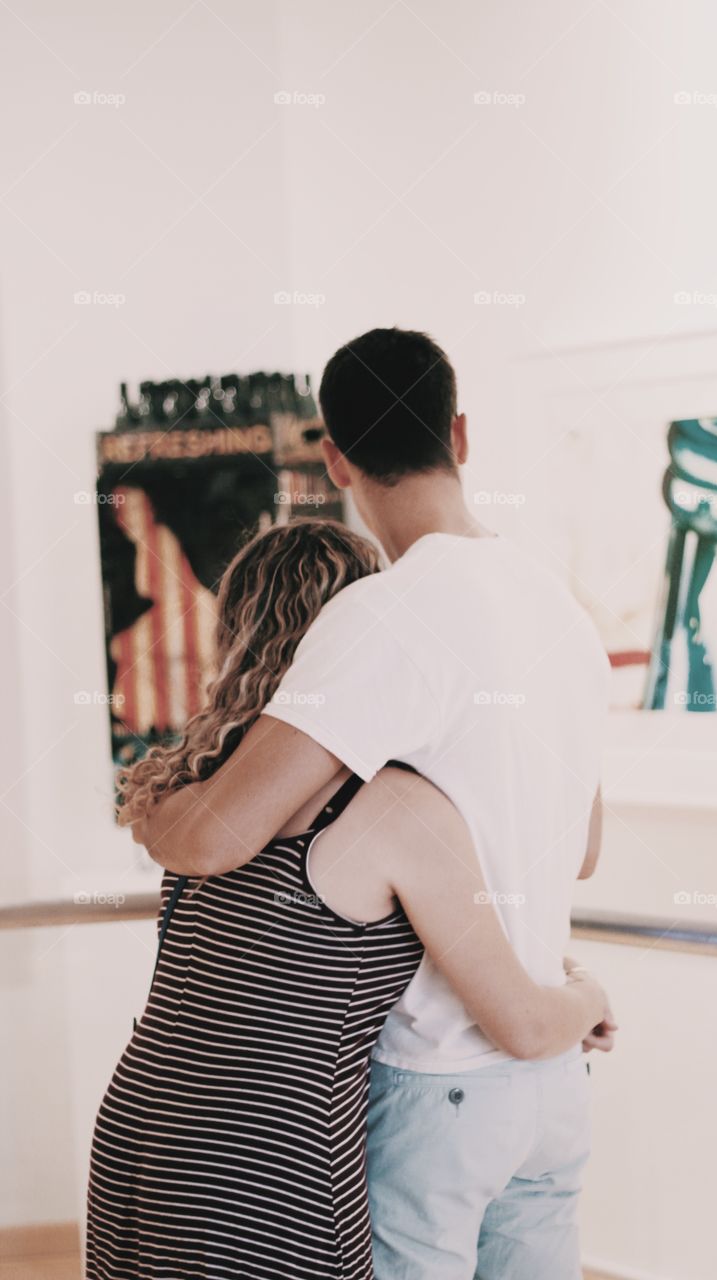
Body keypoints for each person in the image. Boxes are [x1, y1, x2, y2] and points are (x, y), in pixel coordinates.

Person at [136, 328, 614, 1279]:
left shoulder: (385, 614)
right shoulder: (561, 608)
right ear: (462, 435)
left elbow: (212, 838)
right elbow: (583, 846)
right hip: (552, 1084)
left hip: (438, 1082)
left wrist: (153, 801)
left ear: (335, 457)